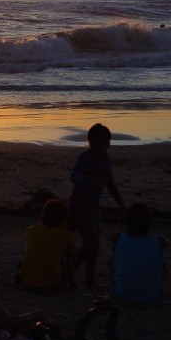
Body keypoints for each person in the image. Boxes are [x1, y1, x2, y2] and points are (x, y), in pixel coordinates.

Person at [68, 123, 126, 289]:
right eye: (103, 143)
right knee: (93, 243)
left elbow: (111, 184)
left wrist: (121, 204)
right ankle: (69, 270)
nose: (106, 146)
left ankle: (89, 279)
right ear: (93, 142)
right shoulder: (84, 157)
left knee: (91, 246)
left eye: (108, 143)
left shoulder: (106, 161)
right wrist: (89, 179)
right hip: (78, 205)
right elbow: (73, 177)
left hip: (94, 208)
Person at [111, 202, 168, 307]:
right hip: (152, 298)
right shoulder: (160, 241)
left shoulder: (118, 237)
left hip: (121, 296)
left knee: (115, 261)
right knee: (160, 264)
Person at [17, 199, 77, 294]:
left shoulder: (30, 230)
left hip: (27, 284)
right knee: (67, 257)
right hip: (52, 287)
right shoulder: (66, 235)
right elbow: (73, 254)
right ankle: (73, 285)